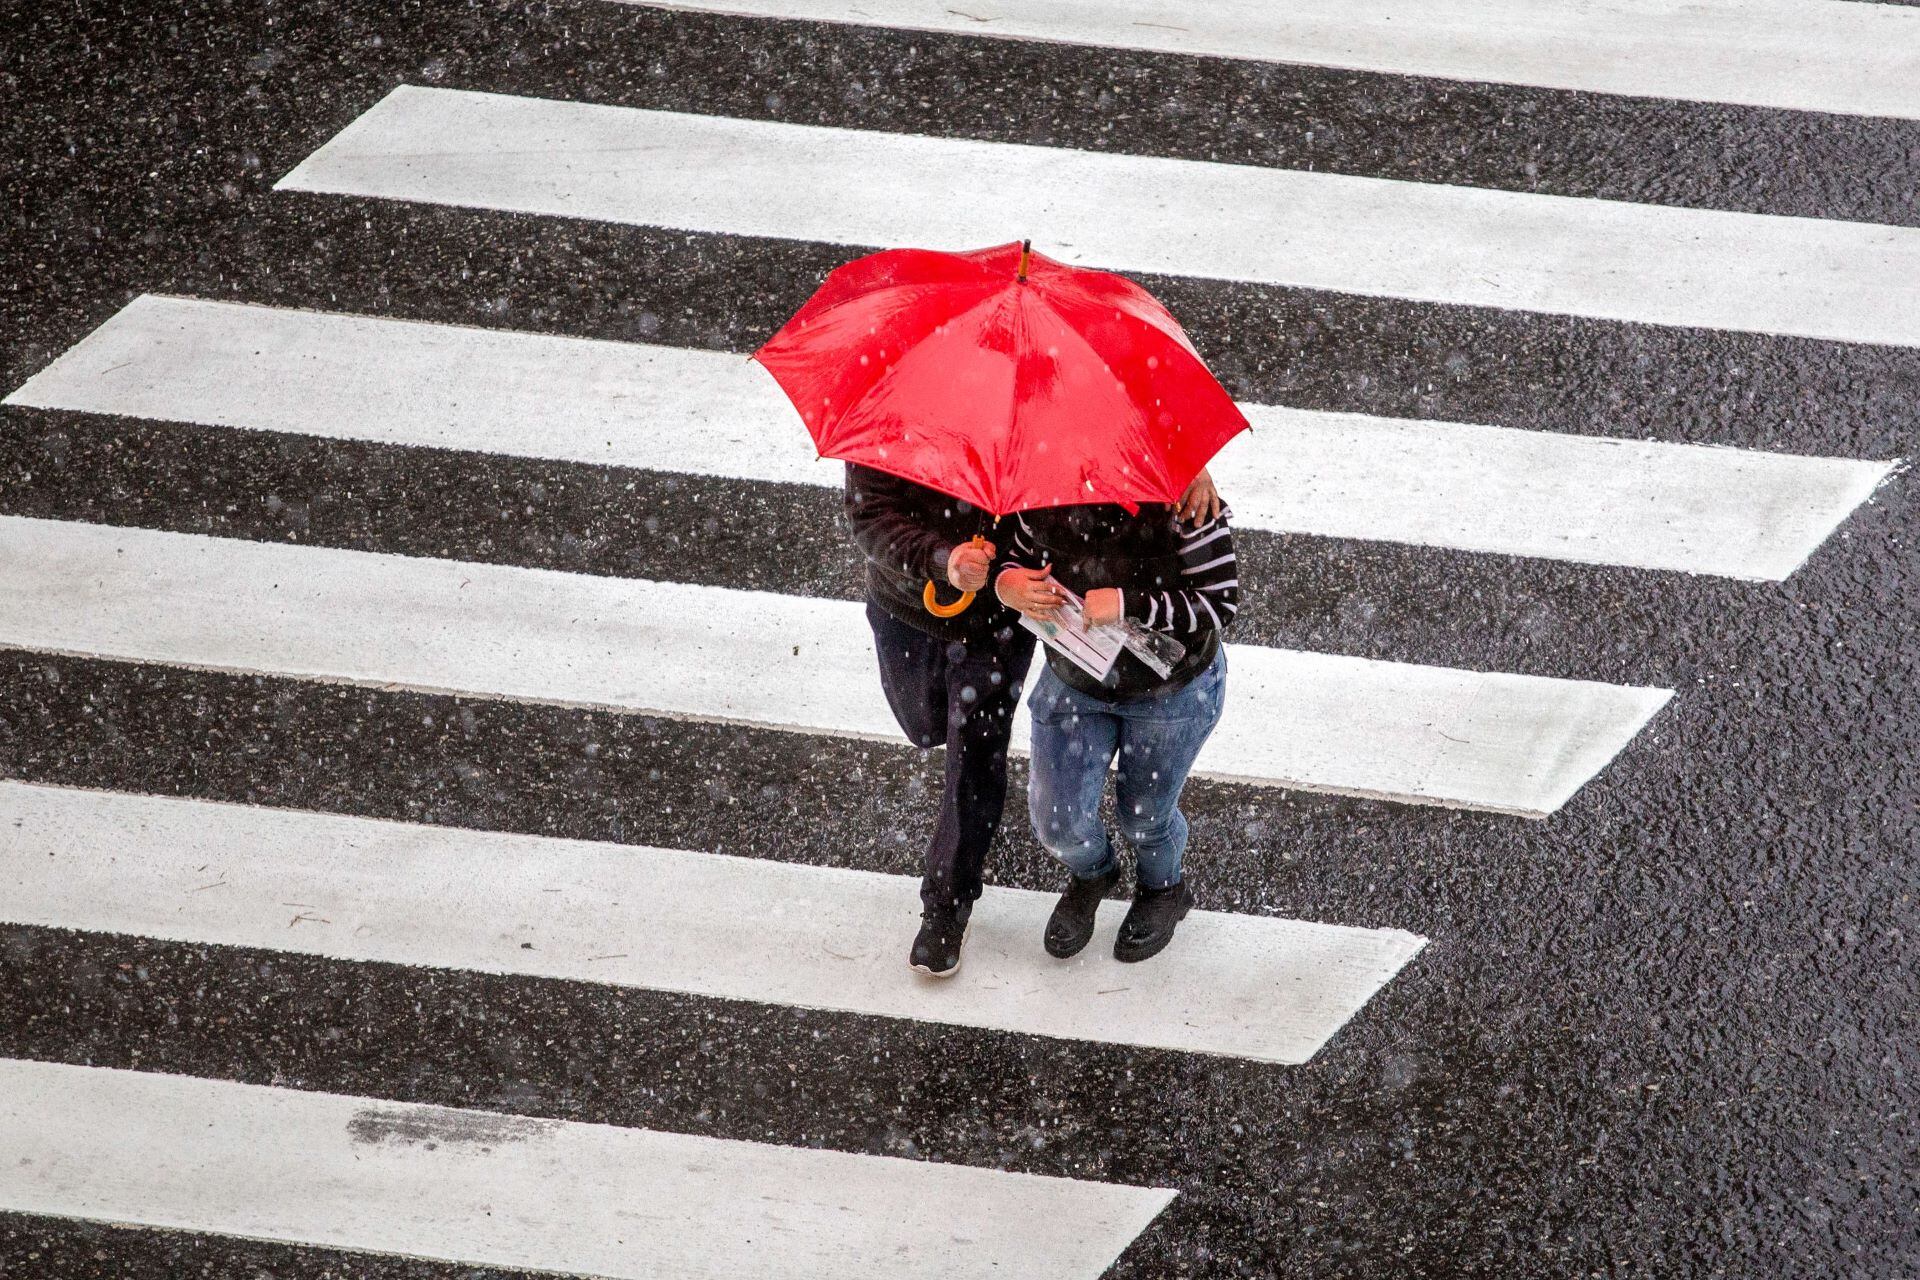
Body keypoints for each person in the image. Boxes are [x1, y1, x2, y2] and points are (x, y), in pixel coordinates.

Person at [846, 464, 1221, 977]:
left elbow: (1218, 597)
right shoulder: (898, 406)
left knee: (1130, 810)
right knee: (950, 744)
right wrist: (966, 567)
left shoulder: (1141, 484)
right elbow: (873, 516)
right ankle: (1094, 872)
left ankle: (952, 903)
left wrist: (1188, 468)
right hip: (947, 618)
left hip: (1120, 673)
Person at [994, 497, 1238, 963]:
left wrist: (1130, 604)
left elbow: (1218, 603)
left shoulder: (1184, 496)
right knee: (1058, 822)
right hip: (1075, 676)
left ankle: (1163, 888)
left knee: (1145, 817)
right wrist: (1008, 582)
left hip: (1171, 690)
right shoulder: (1040, 487)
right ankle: (1094, 874)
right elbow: (1016, 554)